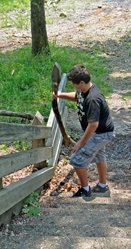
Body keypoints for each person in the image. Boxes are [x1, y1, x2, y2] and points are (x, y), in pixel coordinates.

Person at [53, 64, 114, 197]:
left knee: (76, 160)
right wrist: (60, 95)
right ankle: (103, 186)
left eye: (74, 84)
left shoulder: (93, 99)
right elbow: (77, 96)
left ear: (81, 82)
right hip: (102, 132)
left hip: (100, 133)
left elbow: (93, 125)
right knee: (99, 156)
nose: (73, 87)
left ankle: (85, 190)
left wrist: (80, 142)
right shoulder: (85, 90)